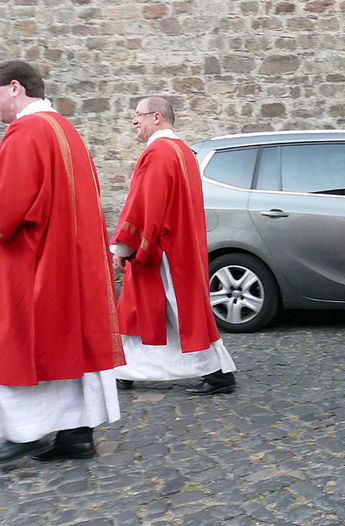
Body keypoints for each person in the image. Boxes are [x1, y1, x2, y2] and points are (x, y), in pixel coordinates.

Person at [0, 60, 123, 464]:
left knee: (23, 345)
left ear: (14, 88)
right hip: (71, 261)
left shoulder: (26, 132)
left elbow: (7, 210)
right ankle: (75, 434)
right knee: (68, 347)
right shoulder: (65, 129)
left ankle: (24, 432)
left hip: (34, 262)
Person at [111, 96, 237, 395]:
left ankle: (218, 373)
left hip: (163, 249)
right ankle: (124, 370)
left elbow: (144, 204)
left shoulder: (157, 152)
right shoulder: (182, 150)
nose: (134, 121)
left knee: (173, 312)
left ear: (157, 117)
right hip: (180, 246)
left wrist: (123, 246)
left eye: (138, 115)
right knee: (151, 311)